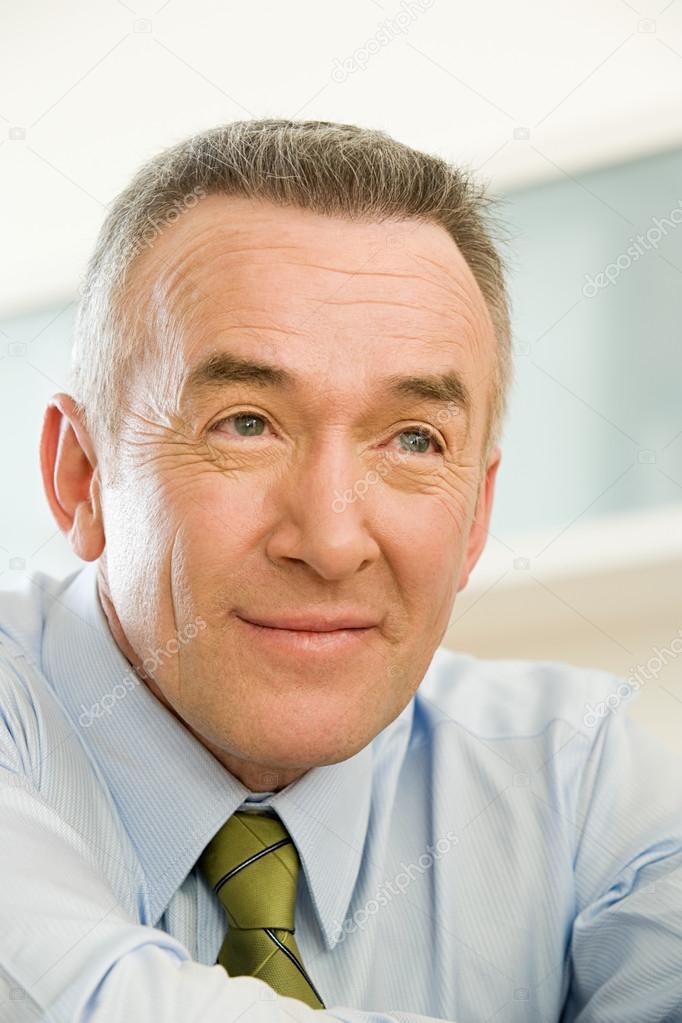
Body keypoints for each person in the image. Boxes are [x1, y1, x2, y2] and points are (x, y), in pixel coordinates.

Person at [1, 118, 681, 1023]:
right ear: (81, 476)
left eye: (411, 440)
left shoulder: (580, 778)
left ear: (476, 513)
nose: (328, 541)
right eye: (245, 422)